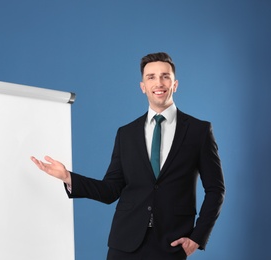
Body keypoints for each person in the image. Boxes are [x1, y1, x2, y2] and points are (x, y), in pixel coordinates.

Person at [31, 52, 225, 260]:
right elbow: (110, 190)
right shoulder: (126, 133)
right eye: (151, 77)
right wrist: (68, 177)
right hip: (124, 244)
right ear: (142, 86)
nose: (158, 82)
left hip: (171, 243)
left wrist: (197, 237)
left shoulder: (199, 131)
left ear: (175, 84)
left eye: (165, 76)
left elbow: (215, 190)